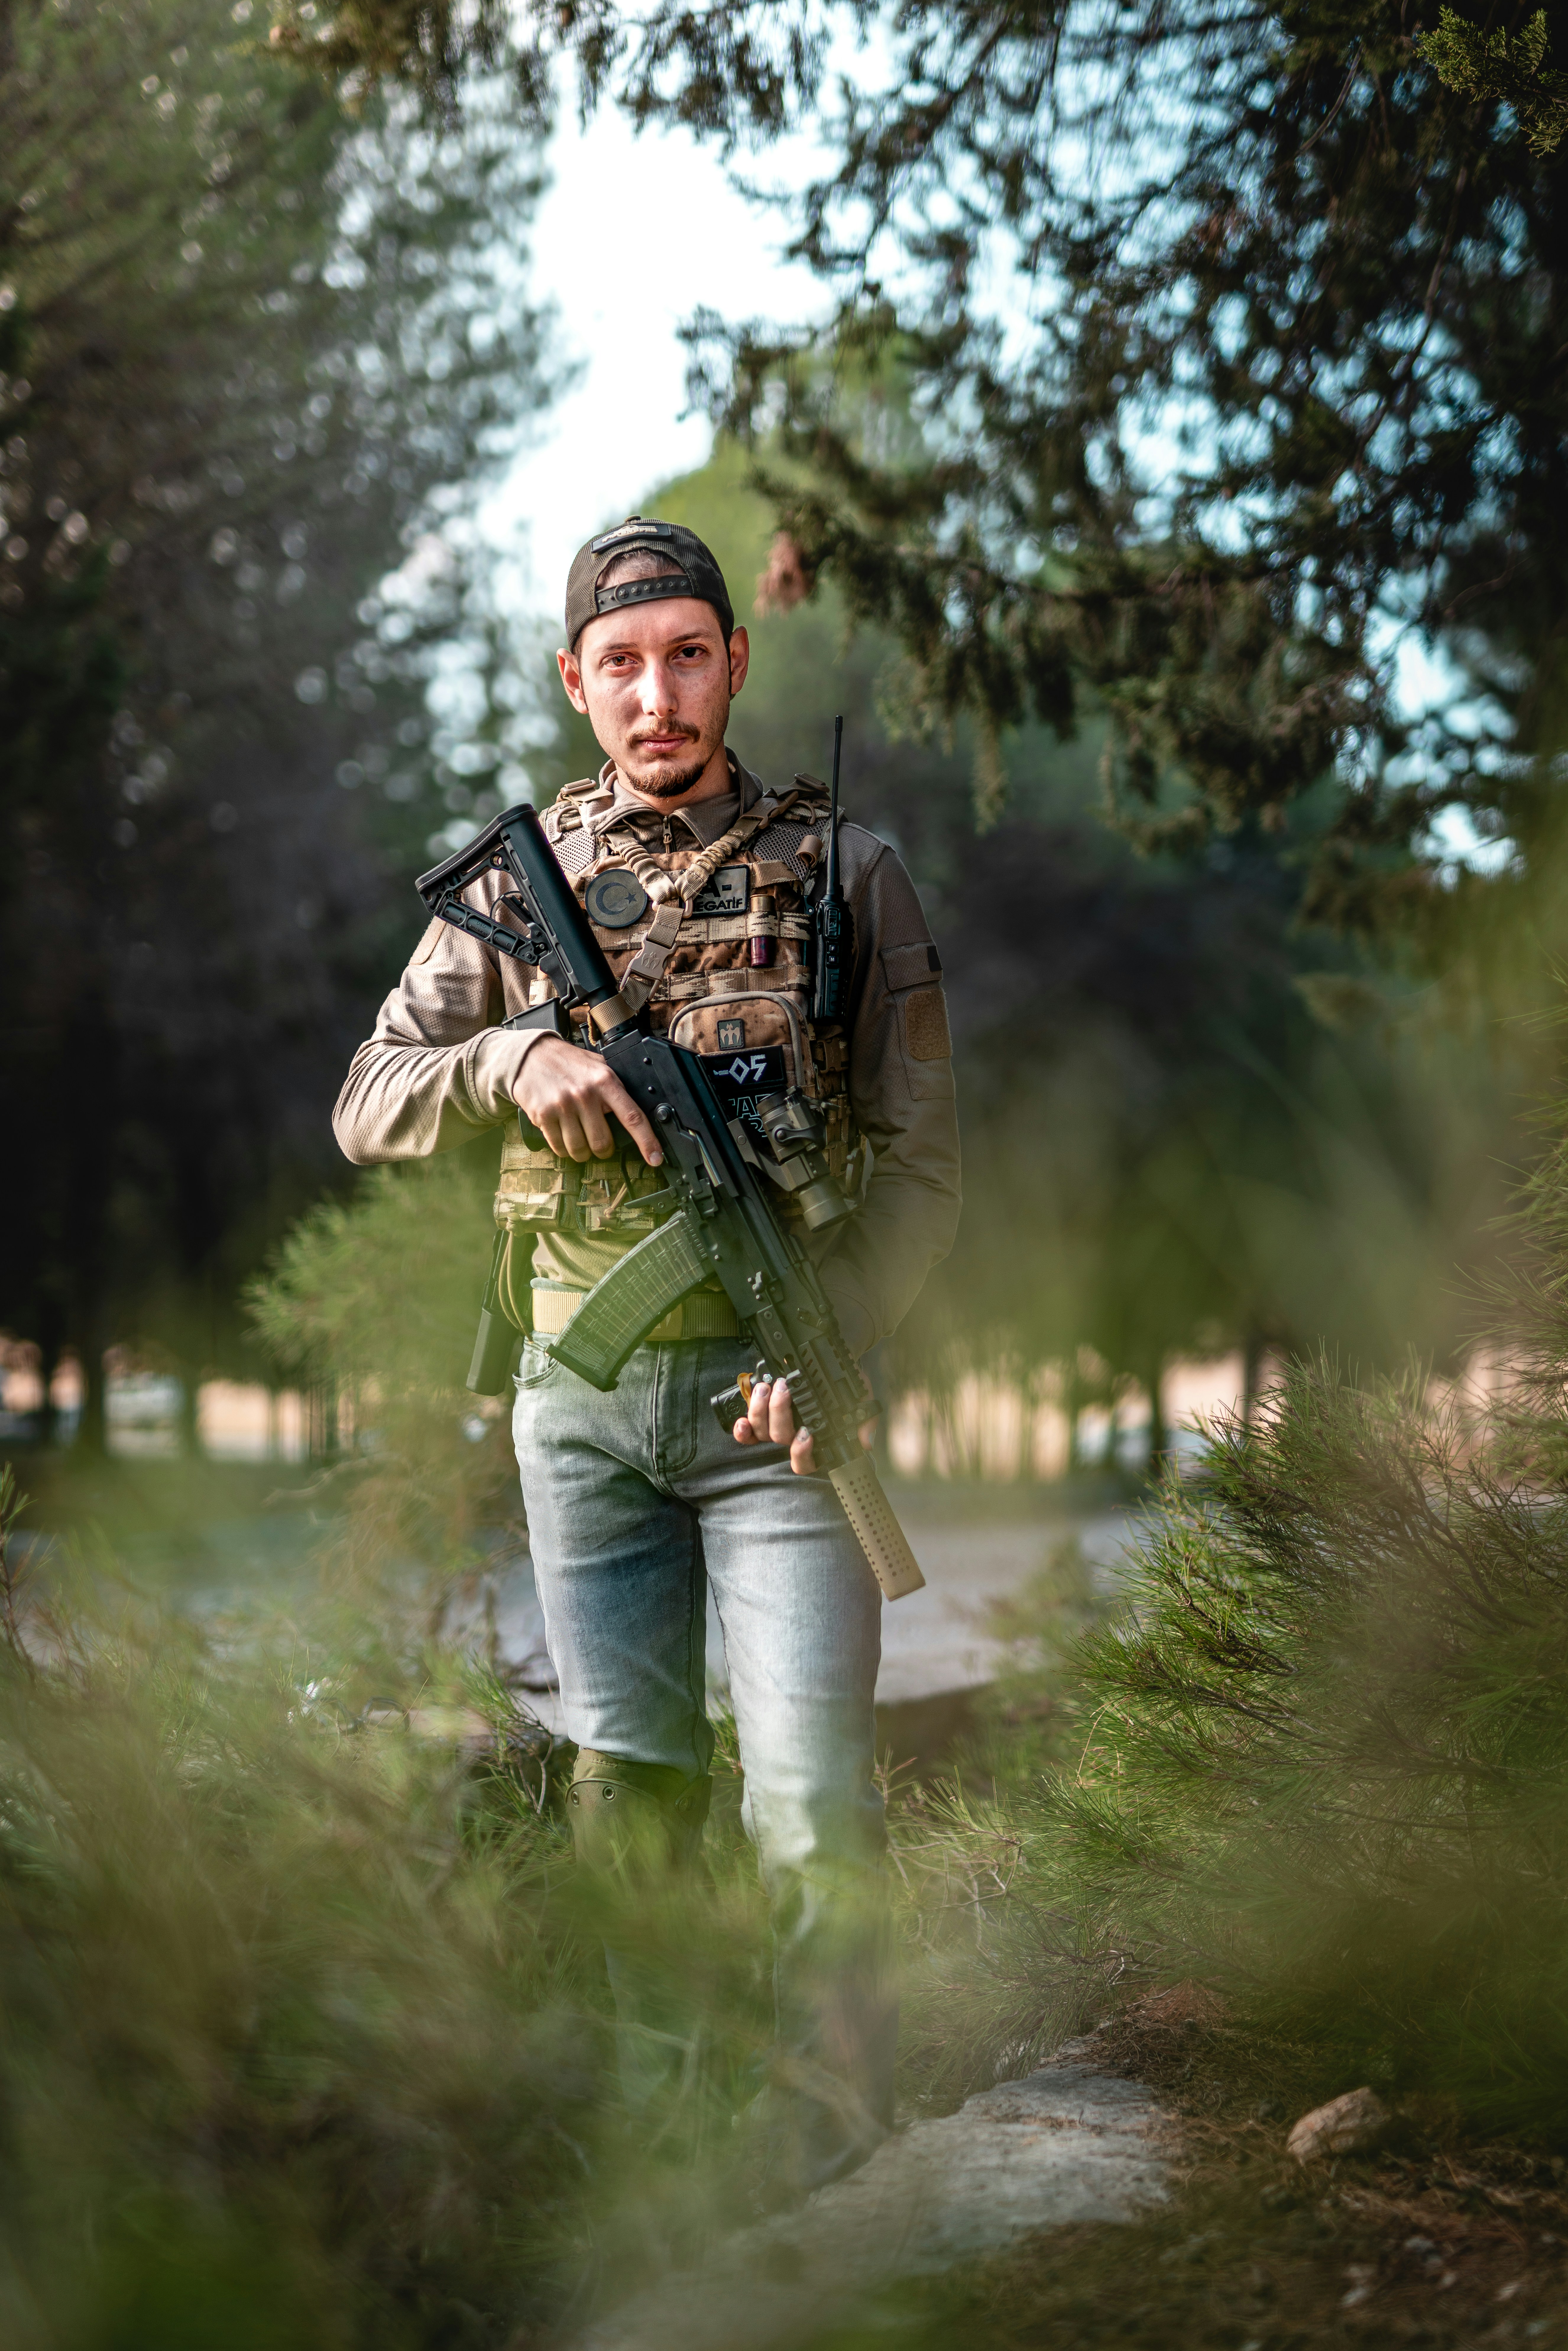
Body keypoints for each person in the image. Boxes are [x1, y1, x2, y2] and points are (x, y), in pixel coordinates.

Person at [333, 515, 961, 2192]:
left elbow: (921, 1171)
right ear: (574, 682)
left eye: (687, 655)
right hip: (580, 1410)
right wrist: (510, 1061)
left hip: (780, 1417)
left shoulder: (847, 873)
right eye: (619, 664)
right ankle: (652, 2157)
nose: (655, 695)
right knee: (631, 1796)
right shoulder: (513, 891)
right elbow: (367, 1102)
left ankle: (841, 2161)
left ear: (735, 662)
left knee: (812, 1807)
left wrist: (837, 1344)